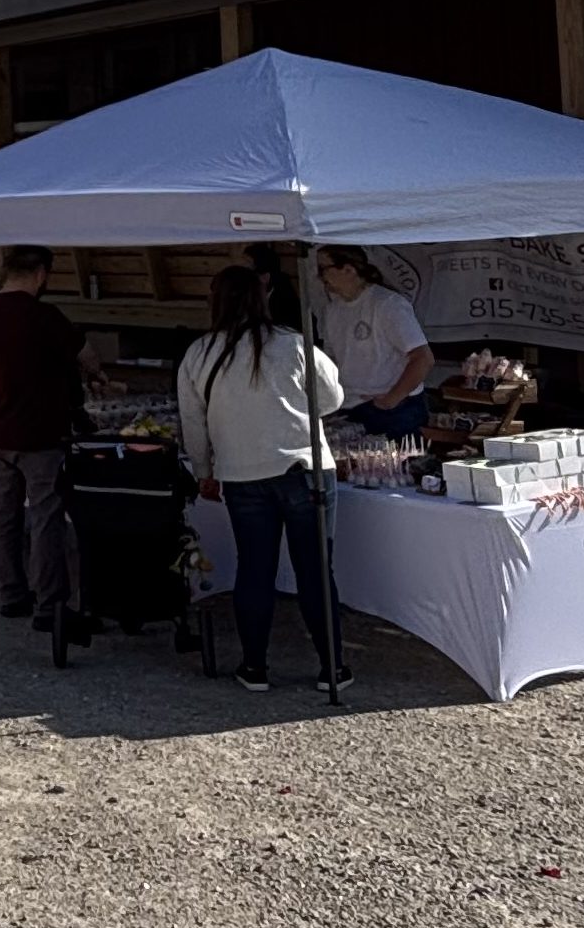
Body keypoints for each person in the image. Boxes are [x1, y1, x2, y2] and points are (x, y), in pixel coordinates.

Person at [179, 266, 349, 694]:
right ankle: (333, 668)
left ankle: (255, 666)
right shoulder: (292, 344)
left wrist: (203, 472)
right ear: (263, 298)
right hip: (303, 470)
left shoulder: (200, 353)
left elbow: (192, 424)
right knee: (315, 571)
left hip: (241, 475)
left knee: (254, 570)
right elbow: (331, 399)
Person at [0, 245, 97, 630]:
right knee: (45, 518)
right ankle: (50, 602)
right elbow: (88, 355)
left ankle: (11, 593)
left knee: (2, 516)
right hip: (41, 432)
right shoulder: (45, 316)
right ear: (40, 274)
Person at [313, 246, 434, 436]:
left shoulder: (388, 304)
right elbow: (332, 361)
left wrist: (391, 400)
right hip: (350, 407)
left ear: (348, 269)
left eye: (323, 269)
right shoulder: (332, 310)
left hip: (395, 409)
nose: (319, 277)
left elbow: (423, 358)